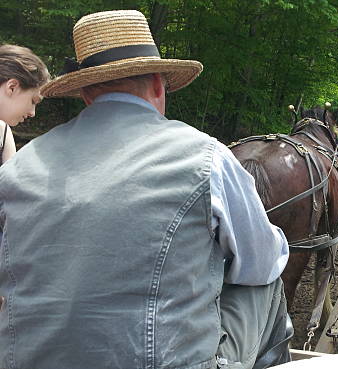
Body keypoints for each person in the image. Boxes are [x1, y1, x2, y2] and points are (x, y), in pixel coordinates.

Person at [0, 10, 292, 369]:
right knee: (269, 279)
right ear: (158, 85)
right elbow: (260, 263)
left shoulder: (19, 167)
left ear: (87, 95)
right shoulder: (205, 157)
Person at [0, 44, 48, 164]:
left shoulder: (3, 132)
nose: (33, 113)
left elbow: (9, 183)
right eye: (33, 101)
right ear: (12, 87)